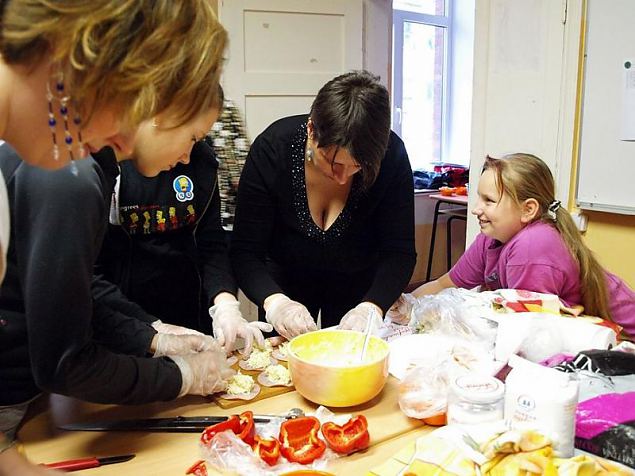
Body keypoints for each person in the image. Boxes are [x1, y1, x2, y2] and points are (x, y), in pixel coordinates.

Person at [0, 2, 229, 470]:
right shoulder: (67, 171)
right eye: (138, 100)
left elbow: (74, 289)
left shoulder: (67, 160)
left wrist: (153, 337)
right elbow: (64, 361)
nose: (121, 140)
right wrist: (180, 375)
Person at [230, 71, 416, 340]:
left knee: (350, 369)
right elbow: (245, 251)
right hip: (284, 283)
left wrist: (372, 306)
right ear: (311, 130)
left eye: (357, 167)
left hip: (359, 286)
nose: (342, 177)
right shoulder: (273, 149)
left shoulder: (390, 155)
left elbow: (399, 252)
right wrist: (276, 304)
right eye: (332, 161)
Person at [95, 90, 271, 353]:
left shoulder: (201, 162)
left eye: (199, 140)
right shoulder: (107, 166)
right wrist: (151, 328)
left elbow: (210, 241)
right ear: (164, 118)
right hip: (119, 319)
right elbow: (90, 274)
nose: (188, 155)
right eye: (191, 138)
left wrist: (225, 304)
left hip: (186, 310)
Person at [389, 153, 635, 340]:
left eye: (489, 201)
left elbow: (532, 333)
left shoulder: (533, 246)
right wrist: (403, 305)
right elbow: (444, 284)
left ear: (528, 209)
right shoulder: (491, 239)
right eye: (479, 198)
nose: (476, 209)